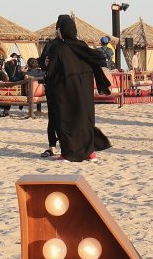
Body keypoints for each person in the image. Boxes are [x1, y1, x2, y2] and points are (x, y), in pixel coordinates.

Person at [44, 14, 112, 161]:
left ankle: (67, 153)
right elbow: (95, 62)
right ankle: (90, 152)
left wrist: (47, 64)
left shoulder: (59, 48)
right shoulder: (82, 46)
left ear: (62, 30)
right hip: (84, 90)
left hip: (65, 90)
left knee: (66, 120)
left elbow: (51, 70)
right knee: (84, 120)